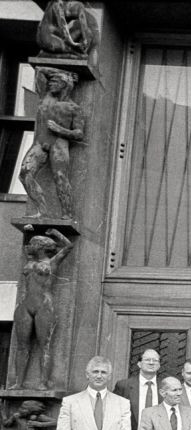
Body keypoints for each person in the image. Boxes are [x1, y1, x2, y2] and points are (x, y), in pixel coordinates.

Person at [10, 229, 73, 391]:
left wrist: (55, 232)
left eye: (32, 244)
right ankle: (19, 382)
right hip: (25, 305)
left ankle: (43, 382)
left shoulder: (52, 262)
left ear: (40, 246)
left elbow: (68, 246)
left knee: (44, 345)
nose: (29, 246)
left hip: (44, 306)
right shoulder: (29, 261)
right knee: (22, 346)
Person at [18, 67, 84, 220]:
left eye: (55, 82)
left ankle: (67, 215)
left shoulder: (74, 108)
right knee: (25, 174)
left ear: (64, 85)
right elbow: (40, 70)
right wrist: (63, 73)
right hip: (40, 143)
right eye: (51, 81)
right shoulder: (44, 97)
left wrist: (60, 129)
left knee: (60, 177)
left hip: (59, 145)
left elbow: (79, 133)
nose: (50, 84)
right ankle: (42, 211)